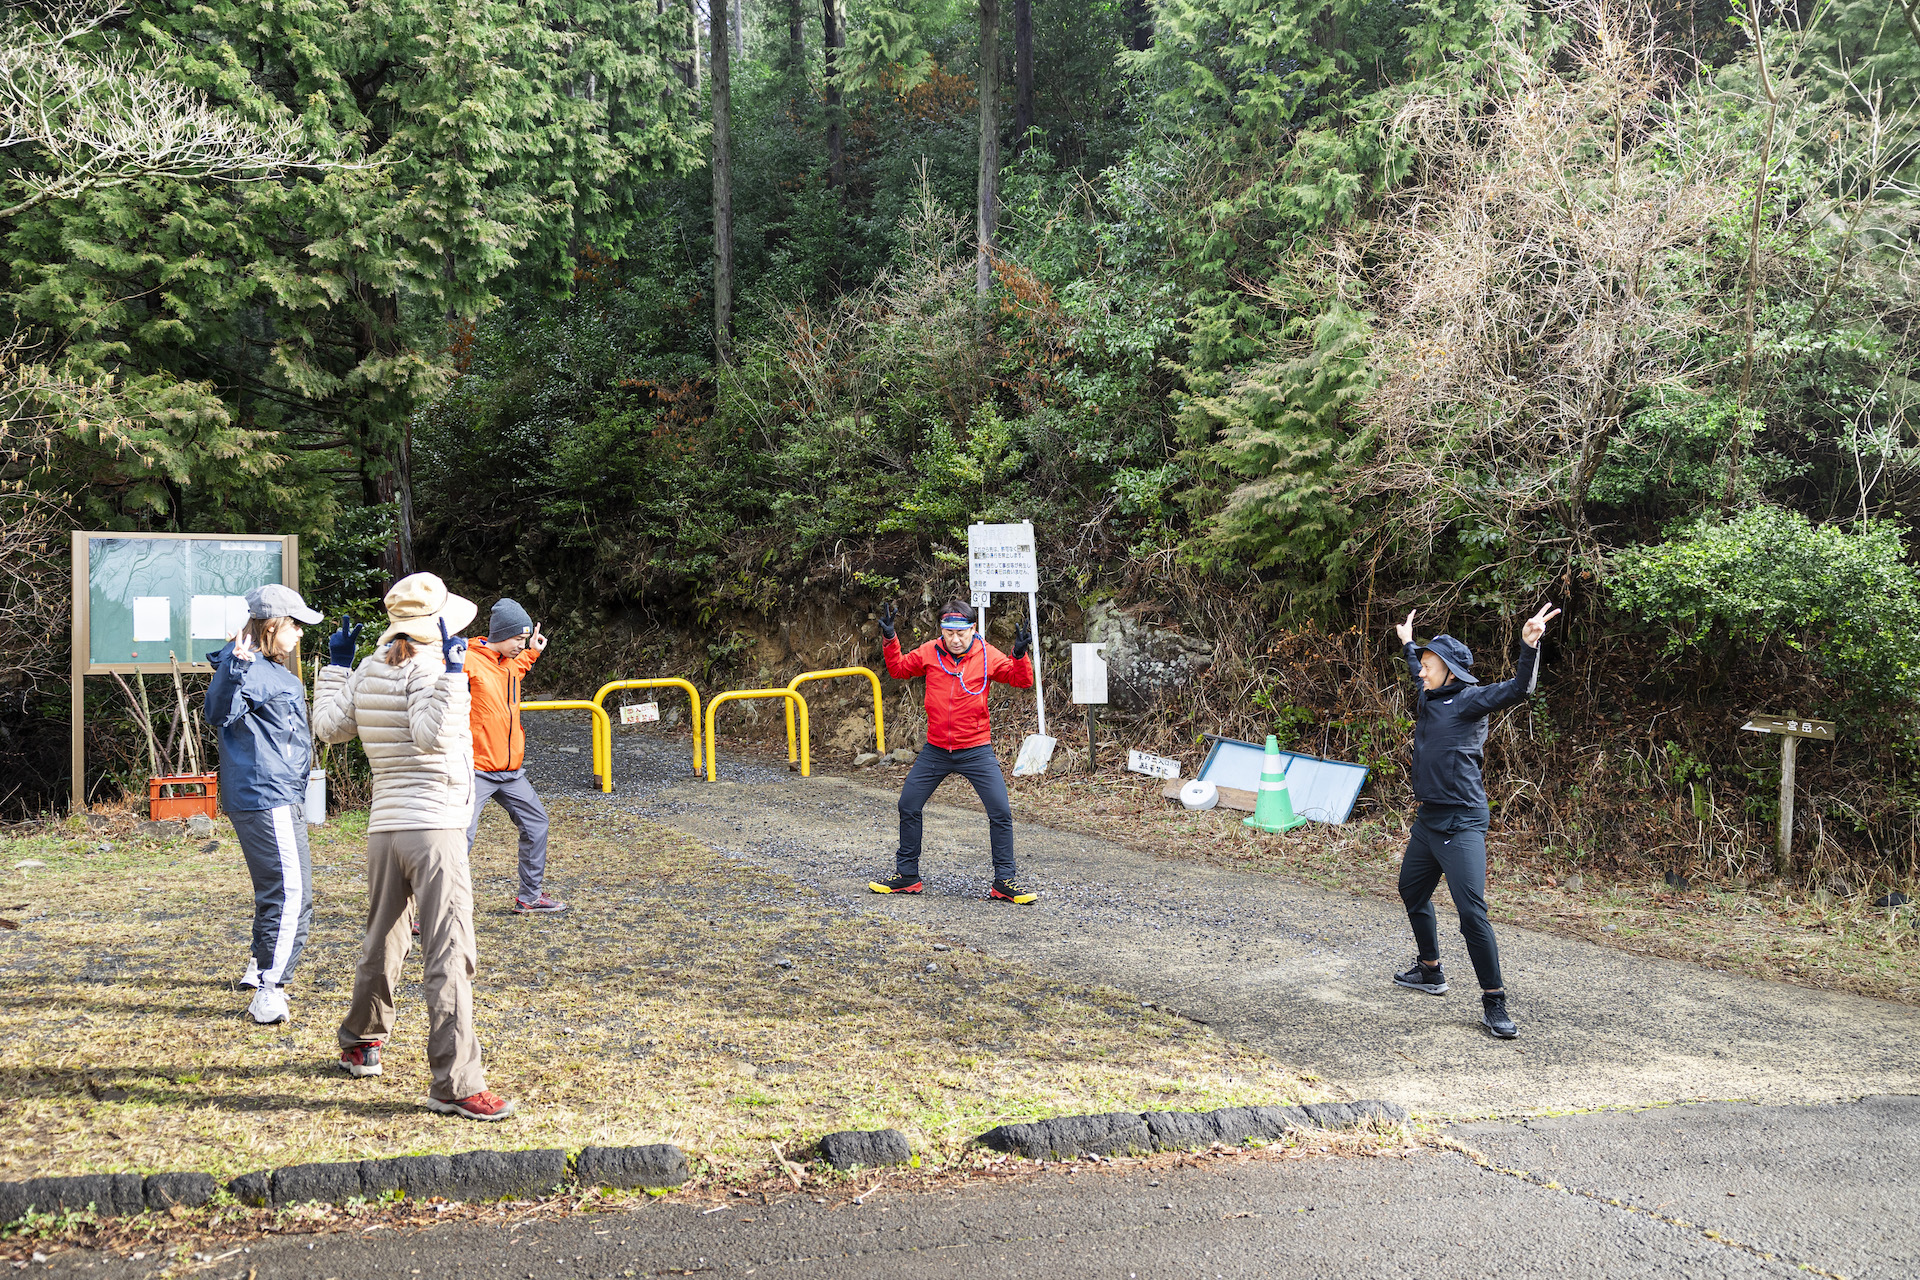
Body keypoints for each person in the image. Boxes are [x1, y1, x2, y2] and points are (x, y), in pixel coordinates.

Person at [311, 572, 516, 1121]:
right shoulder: (431, 669)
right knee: (449, 949)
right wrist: (453, 677)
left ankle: (360, 1037)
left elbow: (328, 727)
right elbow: (431, 736)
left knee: (385, 934)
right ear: (437, 624)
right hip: (434, 826)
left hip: (385, 827)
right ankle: (454, 1081)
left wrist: (335, 668)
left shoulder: (368, 668)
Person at [1391, 603, 1560, 1040]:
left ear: (1449, 671)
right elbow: (1417, 671)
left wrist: (1529, 645)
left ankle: (1494, 1001)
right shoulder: (1429, 695)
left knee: (1471, 914)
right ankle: (1431, 970)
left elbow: (1520, 689)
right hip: (1428, 820)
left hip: (1461, 822)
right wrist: (1410, 645)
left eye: (1430, 666)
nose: (1422, 673)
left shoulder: (1469, 701)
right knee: (1411, 890)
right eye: (1423, 666)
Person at [203, 583, 325, 1026]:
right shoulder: (249, 667)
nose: (300, 635)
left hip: (271, 794)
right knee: (293, 894)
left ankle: (259, 969)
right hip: (265, 795)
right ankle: (271, 989)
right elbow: (218, 713)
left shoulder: (269, 669)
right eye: (295, 625)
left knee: (276, 890)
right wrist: (234, 669)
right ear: (273, 625)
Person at [869, 599, 1039, 904]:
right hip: (936, 748)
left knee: (1000, 811)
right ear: (942, 631)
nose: (955, 639)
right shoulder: (930, 651)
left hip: (976, 748)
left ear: (973, 629)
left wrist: (1019, 655)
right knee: (908, 804)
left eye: (961, 632)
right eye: (949, 632)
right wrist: (890, 638)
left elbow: (1021, 679)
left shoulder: (986, 654)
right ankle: (907, 876)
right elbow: (898, 670)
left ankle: (1004, 881)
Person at [463, 599, 562, 913]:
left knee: (536, 825)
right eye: (518, 639)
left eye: (524, 639)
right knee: (456, 840)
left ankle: (530, 898)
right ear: (501, 635)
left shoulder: (510, 663)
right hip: (474, 769)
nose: (522, 644)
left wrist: (532, 650)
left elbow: (516, 669)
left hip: (510, 771)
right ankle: (428, 913)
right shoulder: (466, 660)